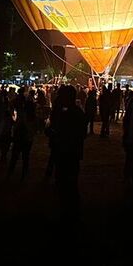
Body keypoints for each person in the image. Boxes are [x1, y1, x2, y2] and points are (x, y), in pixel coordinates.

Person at [48, 85, 86, 220]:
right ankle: (72, 210)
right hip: (72, 152)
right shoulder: (78, 113)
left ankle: (67, 212)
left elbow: (62, 132)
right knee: (70, 181)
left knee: (65, 181)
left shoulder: (67, 113)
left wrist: (54, 135)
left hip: (65, 151)